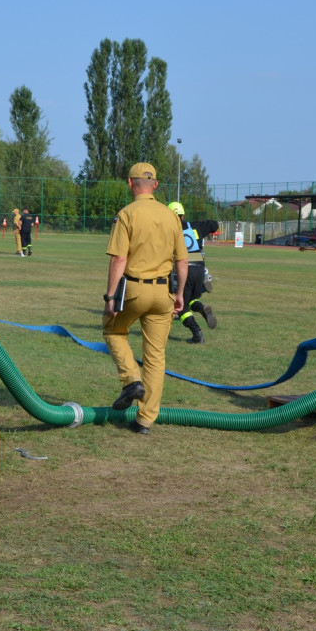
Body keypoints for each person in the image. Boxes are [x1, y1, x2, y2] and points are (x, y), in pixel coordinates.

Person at [103, 162, 188, 435]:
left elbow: (119, 258)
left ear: (130, 183)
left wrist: (110, 297)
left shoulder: (126, 214)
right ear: (155, 185)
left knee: (114, 330)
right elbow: (182, 261)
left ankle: (131, 381)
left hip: (135, 290)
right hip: (164, 293)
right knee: (155, 356)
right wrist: (180, 294)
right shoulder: (171, 215)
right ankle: (145, 420)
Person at [167, 201, 219, 343]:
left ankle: (197, 334)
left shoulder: (168, 230)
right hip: (200, 268)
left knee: (180, 306)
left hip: (184, 268)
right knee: (189, 299)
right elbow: (214, 224)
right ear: (183, 216)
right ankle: (202, 308)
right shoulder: (194, 226)